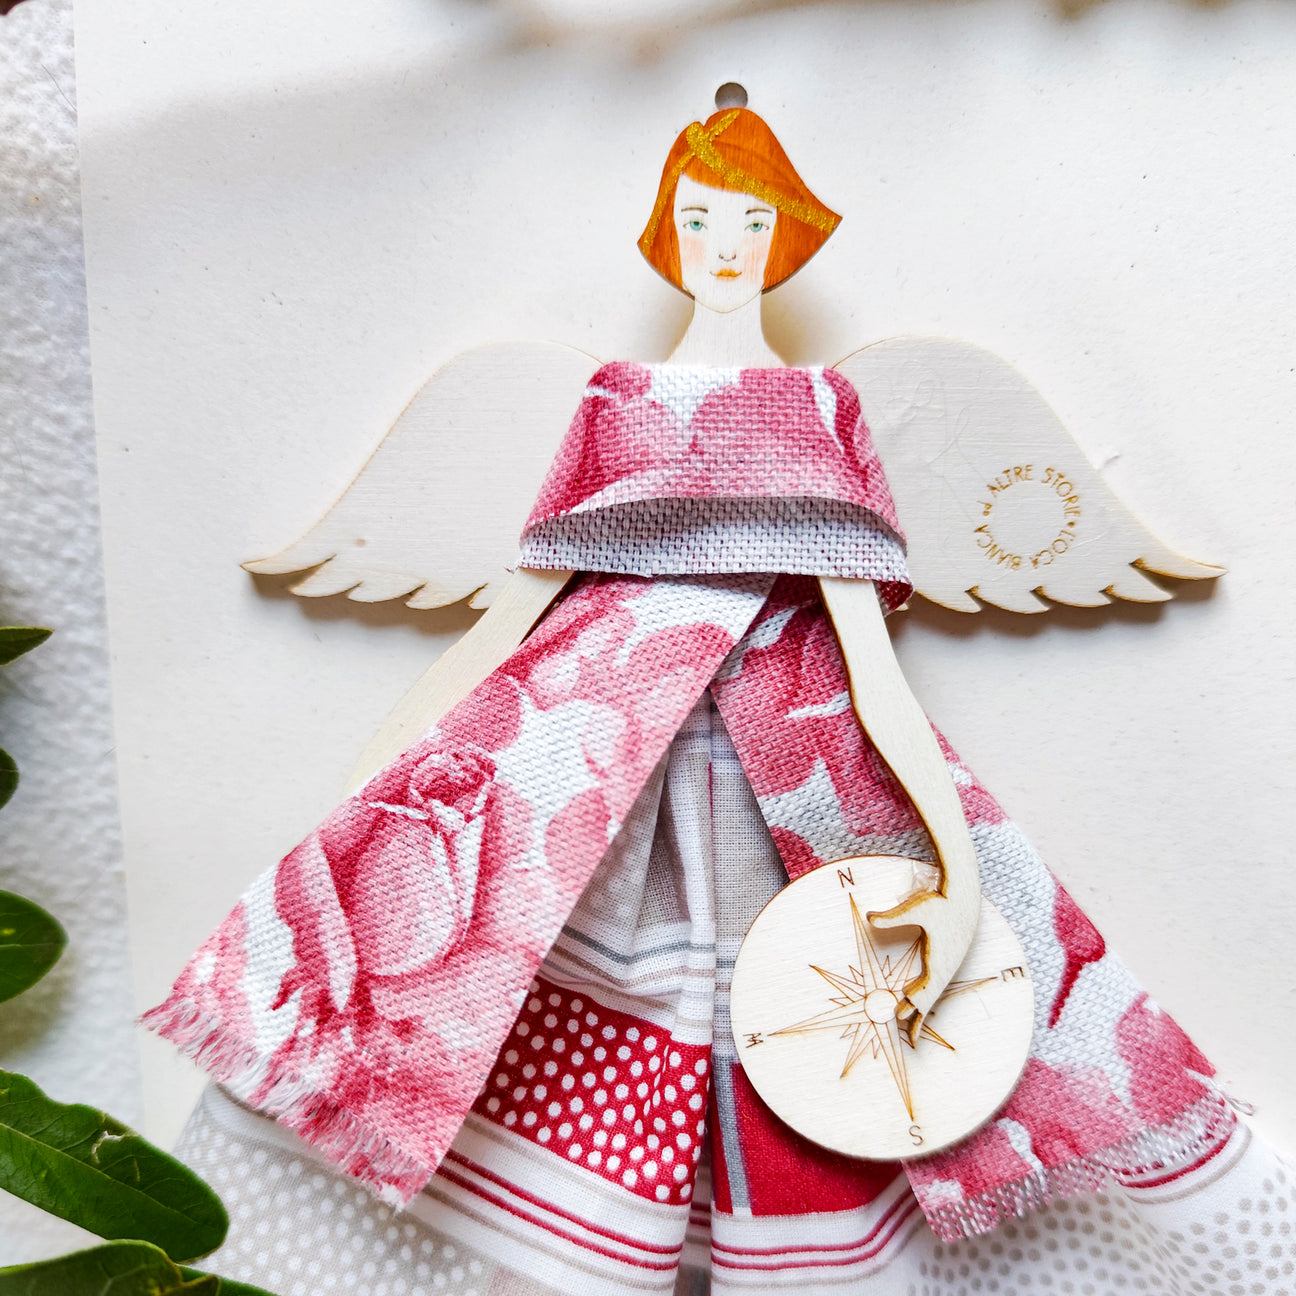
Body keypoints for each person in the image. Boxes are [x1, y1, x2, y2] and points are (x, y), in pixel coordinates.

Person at [151, 99, 1290, 1295]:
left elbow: (867, 660)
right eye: (698, 221)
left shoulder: (818, 412)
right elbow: (512, 615)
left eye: (748, 222)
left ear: (784, 237)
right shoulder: (615, 403)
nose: (724, 246)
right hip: (588, 757)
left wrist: (955, 863)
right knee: (524, 990)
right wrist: (370, 801)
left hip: (792, 760)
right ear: (668, 236)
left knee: (834, 1022)